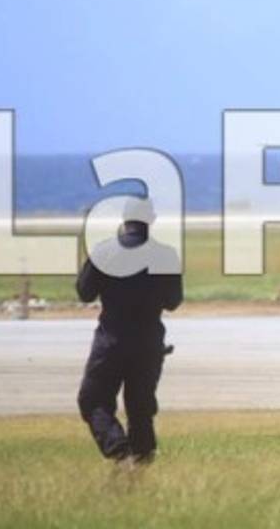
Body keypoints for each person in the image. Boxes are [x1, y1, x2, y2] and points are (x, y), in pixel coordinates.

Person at [76, 197, 182, 465]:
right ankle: (143, 461)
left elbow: (85, 293)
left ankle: (118, 449)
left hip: (111, 341)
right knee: (140, 407)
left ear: (124, 220)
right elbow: (173, 301)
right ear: (152, 221)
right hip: (148, 342)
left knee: (93, 399)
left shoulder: (105, 252)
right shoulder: (166, 255)